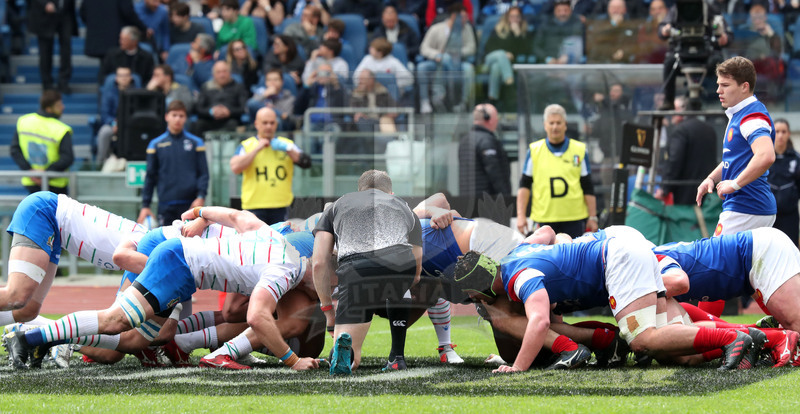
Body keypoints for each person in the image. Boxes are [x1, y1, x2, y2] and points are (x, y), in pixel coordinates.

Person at [4, 206, 321, 372]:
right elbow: (253, 315)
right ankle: (33, 336)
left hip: (179, 259)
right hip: (177, 261)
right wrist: (293, 360)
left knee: (144, 336)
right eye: (323, 285)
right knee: (120, 325)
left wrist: (197, 214)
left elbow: (236, 216)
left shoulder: (272, 236)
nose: (319, 293)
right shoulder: (287, 267)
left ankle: (37, 337)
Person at [451, 227, 756, 373]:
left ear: (483, 287)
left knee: (642, 340)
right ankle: (755, 339)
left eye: (475, 297)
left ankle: (732, 337)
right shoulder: (516, 256)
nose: (477, 302)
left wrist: (517, 367)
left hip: (619, 260)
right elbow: (545, 233)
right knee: (675, 353)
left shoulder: (520, 278)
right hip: (624, 251)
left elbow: (540, 321)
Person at [0, 191, 147, 368]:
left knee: (27, 310)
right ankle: (58, 338)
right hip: (45, 212)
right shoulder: (151, 253)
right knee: (16, 295)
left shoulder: (154, 252)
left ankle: (36, 334)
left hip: (55, 227)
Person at [312, 170, 423, 374]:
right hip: (401, 266)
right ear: (390, 192)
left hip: (357, 270)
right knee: (400, 287)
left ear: (359, 191)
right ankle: (397, 356)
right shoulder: (405, 206)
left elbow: (319, 262)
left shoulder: (337, 205)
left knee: (351, 358)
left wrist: (328, 308)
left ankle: (348, 345)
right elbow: (417, 270)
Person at [655, 227, 800, 342]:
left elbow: (679, 282)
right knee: (788, 332)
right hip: (749, 266)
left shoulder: (651, 259)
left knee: (795, 329)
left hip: (757, 253)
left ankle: (759, 336)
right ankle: (760, 333)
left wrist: (640, 290)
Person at [696, 56, 776, 236]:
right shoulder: (741, 114)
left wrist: (734, 184)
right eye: (718, 84)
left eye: (725, 85)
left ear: (744, 87)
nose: (718, 90)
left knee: (715, 261)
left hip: (746, 206)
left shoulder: (752, 118)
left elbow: (766, 156)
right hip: (749, 206)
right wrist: (711, 178)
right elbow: (735, 160)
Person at [516, 104, 598, 238]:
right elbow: (524, 185)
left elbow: (587, 186)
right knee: (544, 257)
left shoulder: (579, 150)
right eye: (551, 123)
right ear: (545, 125)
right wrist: (521, 216)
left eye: (559, 123)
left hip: (574, 218)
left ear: (565, 125)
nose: (555, 127)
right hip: (543, 218)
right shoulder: (534, 151)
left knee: (572, 258)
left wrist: (593, 216)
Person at [230, 107, 311, 225]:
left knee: (279, 241)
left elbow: (306, 163)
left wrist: (288, 149)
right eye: (265, 123)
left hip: (281, 205)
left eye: (272, 123)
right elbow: (235, 167)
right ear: (256, 124)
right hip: (254, 206)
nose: (268, 126)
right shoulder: (247, 145)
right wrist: (256, 149)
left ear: (276, 124)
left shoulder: (286, 144)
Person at [138, 100, 209, 227]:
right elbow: (150, 176)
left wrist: (201, 196)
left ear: (185, 118)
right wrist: (145, 205)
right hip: (166, 205)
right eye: (174, 115)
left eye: (181, 116)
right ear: (167, 117)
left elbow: (203, 173)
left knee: (190, 244)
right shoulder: (155, 144)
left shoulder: (196, 143)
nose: (177, 119)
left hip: (191, 206)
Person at [657, 0, 729, 110]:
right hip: (682, 54)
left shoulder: (710, 9)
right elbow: (663, 28)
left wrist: (725, 38)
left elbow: (726, 32)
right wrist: (665, 30)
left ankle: (725, 101)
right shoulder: (677, 9)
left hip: (706, 54)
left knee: (719, 62)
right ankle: (668, 100)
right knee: (669, 61)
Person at [655, 96, 718, 205]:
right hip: (708, 191)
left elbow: (674, 161)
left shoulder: (680, 131)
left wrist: (664, 189)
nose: (671, 114)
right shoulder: (709, 129)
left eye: (674, 109)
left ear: (681, 110)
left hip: (685, 193)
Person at [10, 90, 74, 195]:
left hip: (32, 182)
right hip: (56, 186)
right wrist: (46, 174)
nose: (63, 107)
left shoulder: (23, 121)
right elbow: (67, 158)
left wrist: (30, 172)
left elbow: (14, 150)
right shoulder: (61, 129)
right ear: (49, 109)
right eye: (59, 105)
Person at [417, 4, 476, 113]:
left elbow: (471, 48)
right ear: (454, 16)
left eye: (466, 17)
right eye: (463, 17)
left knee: (469, 69)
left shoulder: (467, 29)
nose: (466, 20)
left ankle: (463, 102)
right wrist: (436, 54)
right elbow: (424, 48)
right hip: (437, 61)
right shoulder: (437, 28)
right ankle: (425, 101)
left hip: (459, 62)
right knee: (422, 67)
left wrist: (458, 53)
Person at [458, 103, 511, 198]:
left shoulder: (464, 140)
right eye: (496, 117)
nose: (497, 121)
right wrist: (506, 197)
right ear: (488, 119)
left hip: (467, 202)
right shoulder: (486, 141)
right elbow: (495, 173)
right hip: (486, 203)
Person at [482, 7, 533, 103]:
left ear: (521, 18)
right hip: (490, 59)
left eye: (517, 16)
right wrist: (505, 53)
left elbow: (525, 51)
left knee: (496, 68)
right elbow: (488, 48)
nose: (514, 19)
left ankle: (492, 99)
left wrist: (517, 35)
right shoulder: (498, 29)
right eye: (512, 16)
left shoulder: (524, 32)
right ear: (507, 18)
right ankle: (509, 80)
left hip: (503, 63)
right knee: (501, 54)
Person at [28, 0, 78, 94]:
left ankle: (63, 81)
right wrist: (44, 3)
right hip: (44, 14)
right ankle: (47, 83)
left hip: (65, 12)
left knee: (66, 49)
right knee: (45, 50)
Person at [80, 0, 149, 62]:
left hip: (98, 38)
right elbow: (128, 12)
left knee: (106, 66)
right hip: (115, 37)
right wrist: (143, 28)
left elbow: (83, 13)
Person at [193, 60, 249, 134]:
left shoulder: (238, 87)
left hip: (230, 120)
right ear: (213, 75)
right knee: (198, 124)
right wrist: (211, 111)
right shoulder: (206, 87)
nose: (222, 75)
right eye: (218, 72)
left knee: (233, 124)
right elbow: (199, 108)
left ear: (230, 73)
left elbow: (243, 108)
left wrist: (229, 112)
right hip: (209, 120)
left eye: (224, 71)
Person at [768, 119, 800, 246]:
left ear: (788, 134)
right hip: (768, 214)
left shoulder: (796, 159)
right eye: (777, 131)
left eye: (783, 132)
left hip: (790, 216)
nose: (780, 135)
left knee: (790, 249)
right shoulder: (764, 157)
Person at [96, 66, 136, 167]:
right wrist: (115, 124)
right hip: (114, 125)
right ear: (116, 78)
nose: (124, 78)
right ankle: (100, 163)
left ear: (131, 78)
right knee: (105, 131)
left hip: (133, 126)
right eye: (121, 75)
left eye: (126, 75)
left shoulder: (137, 93)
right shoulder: (108, 94)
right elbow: (105, 114)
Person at [532, 0, 584, 66]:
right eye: (559, 11)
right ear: (554, 11)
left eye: (566, 10)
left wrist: (569, 56)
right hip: (548, 65)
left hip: (570, 65)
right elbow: (536, 47)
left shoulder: (576, 24)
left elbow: (579, 45)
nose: (562, 14)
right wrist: (547, 59)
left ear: (570, 11)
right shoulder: (545, 25)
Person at [350, 69, 398, 134]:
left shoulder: (382, 91)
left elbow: (394, 106)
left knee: (386, 121)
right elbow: (351, 108)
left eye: (363, 79)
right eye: (359, 79)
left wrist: (389, 114)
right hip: (365, 119)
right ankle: (369, 142)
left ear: (371, 80)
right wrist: (357, 112)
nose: (360, 82)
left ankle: (390, 142)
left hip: (381, 119)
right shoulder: (357, 93)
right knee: (360, 120)